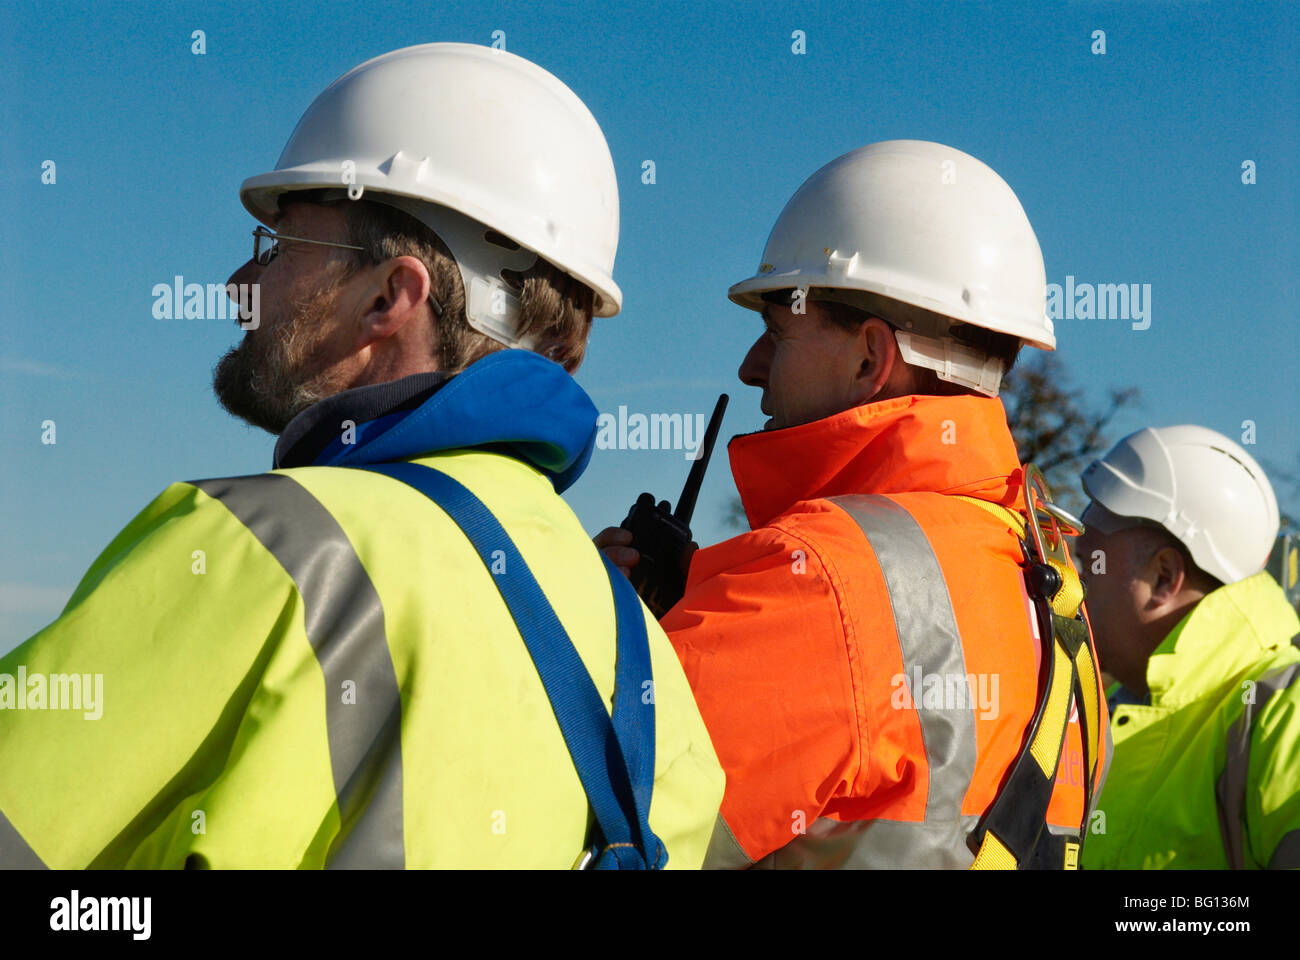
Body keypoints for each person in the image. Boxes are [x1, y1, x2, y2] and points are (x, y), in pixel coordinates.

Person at [0, 43, 723, 869]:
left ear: (391, 295)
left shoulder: (265, 552)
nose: (241, 281)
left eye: (278, 247)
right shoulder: (645, 661)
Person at [602, 140, 1108, 868]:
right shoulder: (1046, 583)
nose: (752, 368)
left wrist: (585, 634)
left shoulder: (817, 579)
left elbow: (577, 820)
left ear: (872, 357)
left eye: (777, 333)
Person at [1075, 425, 1300, 869]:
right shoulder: (1105, 713)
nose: (1070, 581)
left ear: (1163, 578)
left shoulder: (1282, 712)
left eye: (1088, 563)